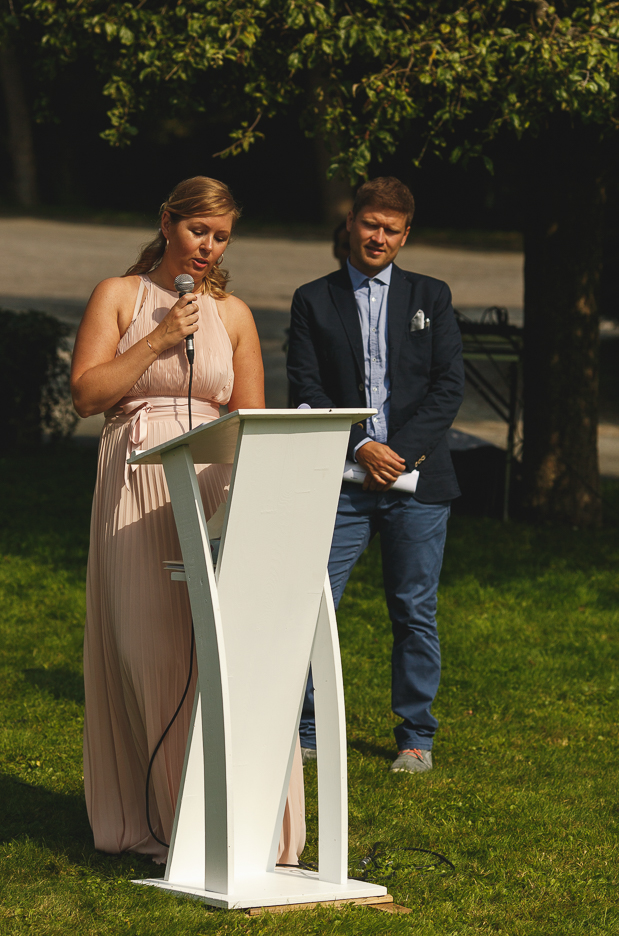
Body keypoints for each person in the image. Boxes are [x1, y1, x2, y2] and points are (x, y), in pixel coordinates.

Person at [71, 176, 305, 863]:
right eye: (199, 230)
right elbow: (88, 394)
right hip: (137, 483)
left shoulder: (232, 313)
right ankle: (168, 822)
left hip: (213, 486)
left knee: (225, 656)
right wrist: (158, 339)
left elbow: (252, 420)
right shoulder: (117, 296)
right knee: (151, 651)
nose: (209, 247)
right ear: (168, 222)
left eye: (222, 236)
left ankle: (248, 821)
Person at [287, 176, 464, 774]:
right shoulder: (313, 299)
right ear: (351, 224)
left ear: (405, 235)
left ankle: (416, 737)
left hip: (420, 485)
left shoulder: (431, 296)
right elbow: (306, 390)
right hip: (342, 481)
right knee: (315, 604)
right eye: (370, 224)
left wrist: (400, 453)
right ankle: (307, 728)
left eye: (391, 229)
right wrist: (363, 446)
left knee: (414, 609)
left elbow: (448, 388)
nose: (378, 237)